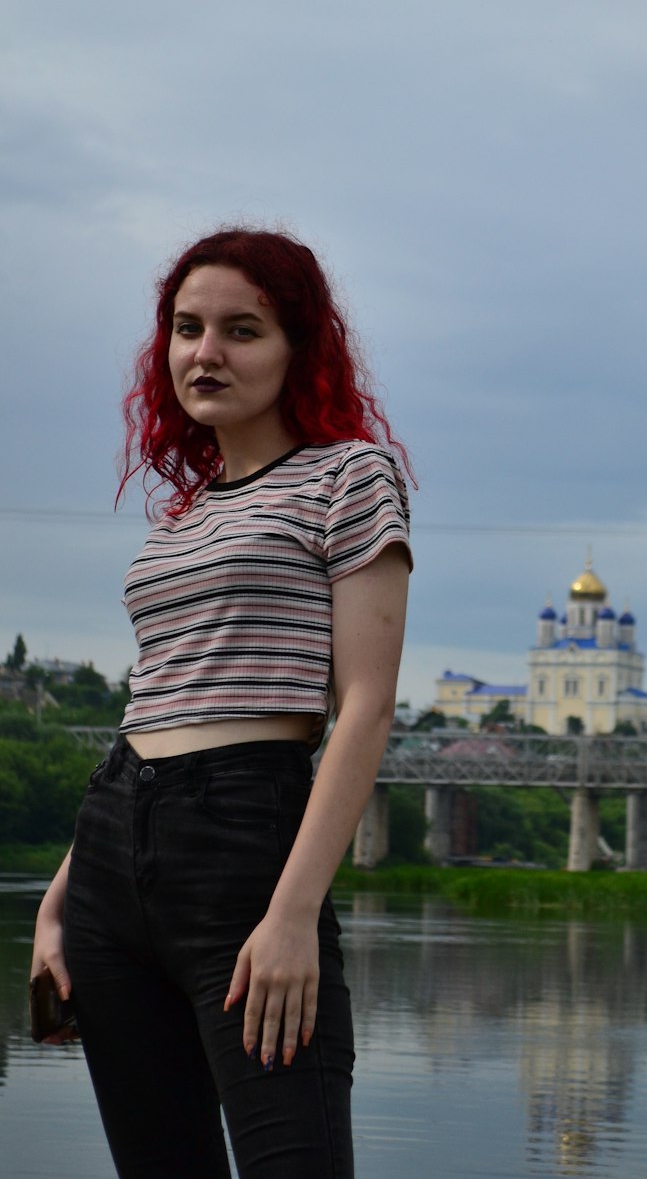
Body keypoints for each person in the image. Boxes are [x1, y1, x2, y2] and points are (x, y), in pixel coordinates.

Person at [30, 226, 412, 1179]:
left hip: (247, 842)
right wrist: (60, 896)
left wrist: (292, 915)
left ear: (298, 349)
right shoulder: (182, 519)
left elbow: (364, 706)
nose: (207, 353)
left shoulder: (350, 476)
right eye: (187, 328)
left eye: (242, 330)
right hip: (115, 845)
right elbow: (153, 706)